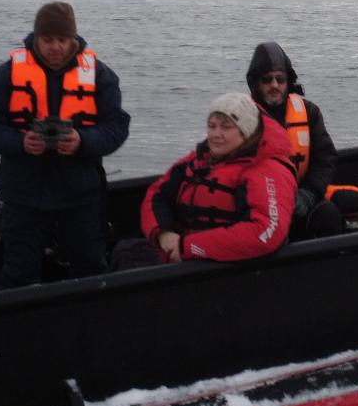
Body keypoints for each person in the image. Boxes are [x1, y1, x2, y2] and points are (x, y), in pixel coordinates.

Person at [0, 1, 130, 288]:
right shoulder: (6, 75)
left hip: (81, 194)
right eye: (47, 39)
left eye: (62, 39)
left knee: (91, 270)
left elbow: (117, 127)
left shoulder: (100, 76)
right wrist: (20, 142)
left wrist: (83, 141)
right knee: (19, 274)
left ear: (73, 39)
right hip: (24, 194)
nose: (55, 47)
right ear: (36, 38)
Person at [139, 93, 294, 263]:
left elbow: (266, 232)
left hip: (226, 267)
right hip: (178, 256)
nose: (215, 134)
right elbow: (157, 195)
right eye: (211, 126)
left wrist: (189, 247)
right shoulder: (197, 160)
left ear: (246, 132)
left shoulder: (268, 170)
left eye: (226, 127)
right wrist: (163, 234)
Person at [245, 41, 345, 237]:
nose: (274, 85)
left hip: (301, 200)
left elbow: (325, 159)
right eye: (267, 80)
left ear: (288, 81)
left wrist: (308, 195)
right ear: (256, 83)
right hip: (257, 206)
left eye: (280, 79)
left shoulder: (309, 112)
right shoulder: (240, 116)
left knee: (329, 214)